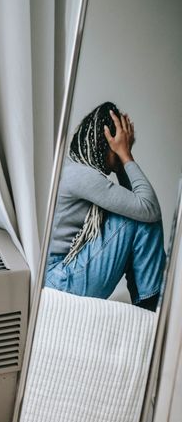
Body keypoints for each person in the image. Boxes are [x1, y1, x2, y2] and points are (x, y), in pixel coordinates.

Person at [45, 101, 165, 311]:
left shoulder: (74, 167)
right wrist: (126, 156)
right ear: (108, 142)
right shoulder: (83, 176)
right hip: (60, 281)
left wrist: (121, 163)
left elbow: (137, 203)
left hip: (58, 276)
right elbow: (148, 207)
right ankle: (152, 306)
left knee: (140, 215)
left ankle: (150, 304)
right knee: (142, 219)